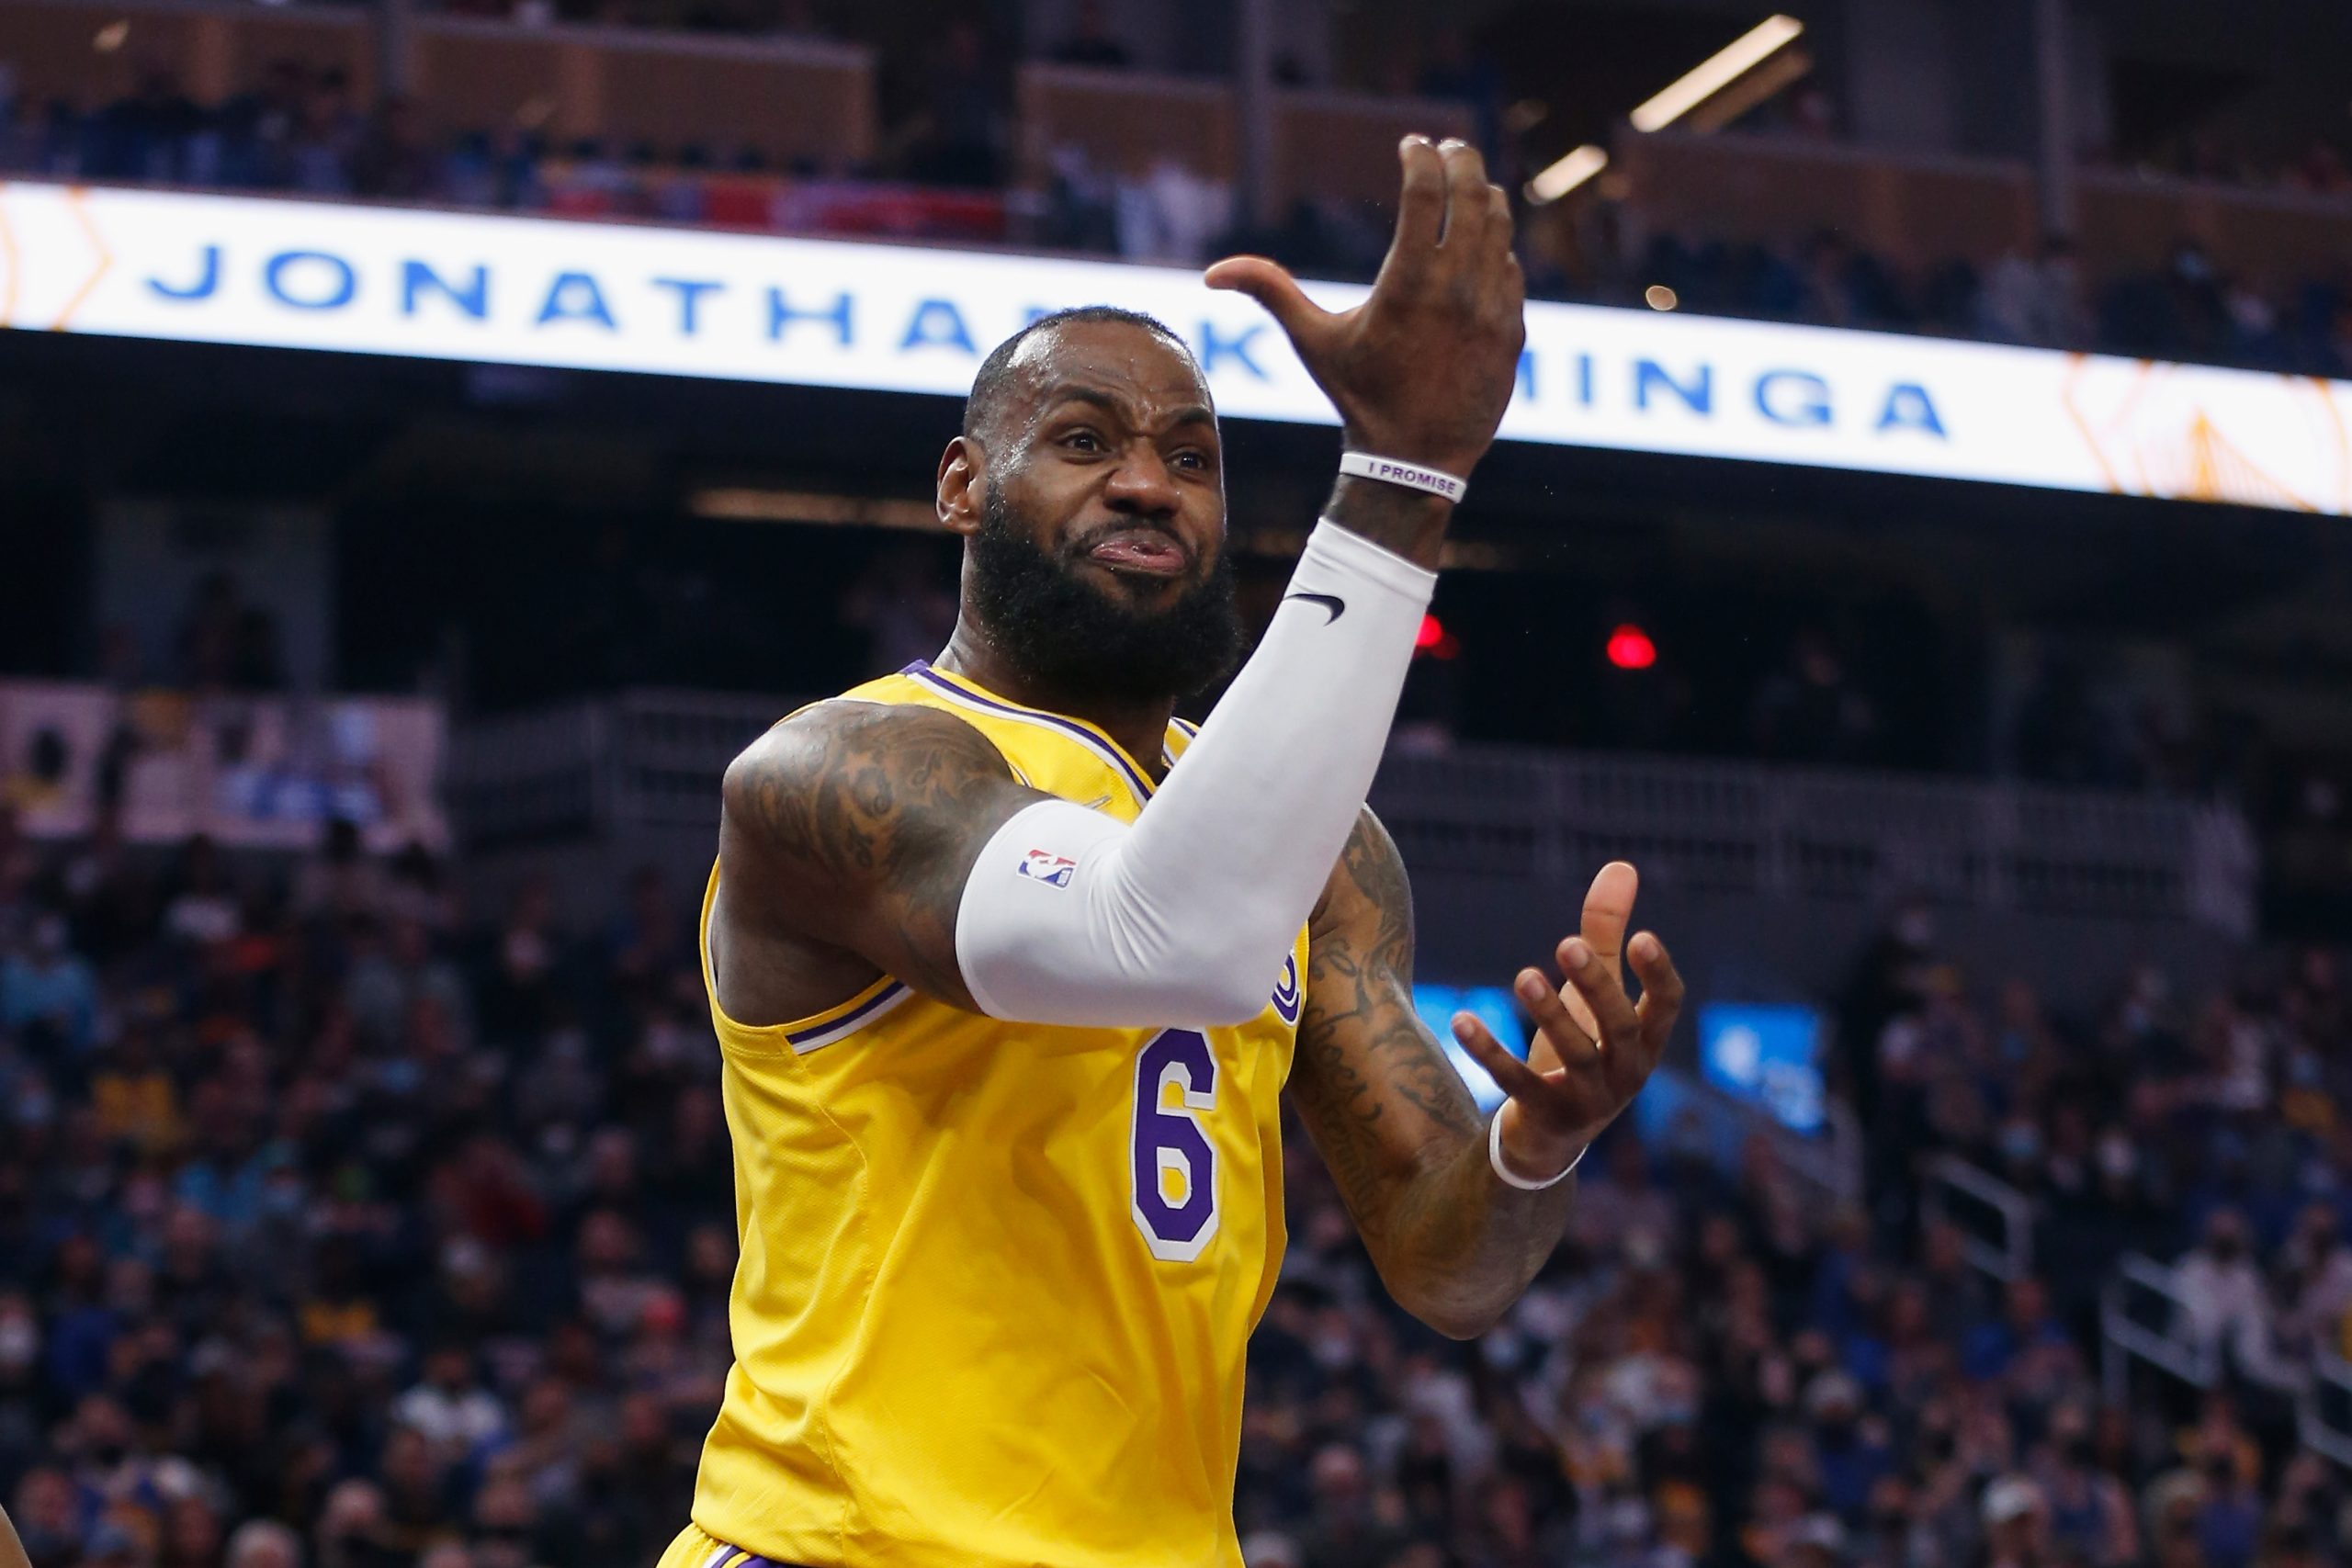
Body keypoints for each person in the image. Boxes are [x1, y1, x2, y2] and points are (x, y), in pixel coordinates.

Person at [660, 137, 1683, 1568]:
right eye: (1084, 441)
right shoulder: (838, 771)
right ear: (961, 486)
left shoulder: (1323, 853)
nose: (1148, 484)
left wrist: (1541, 1143)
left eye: (1191, 458)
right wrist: (1402, 473)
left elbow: (1453, 1272)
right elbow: (1163, 936)